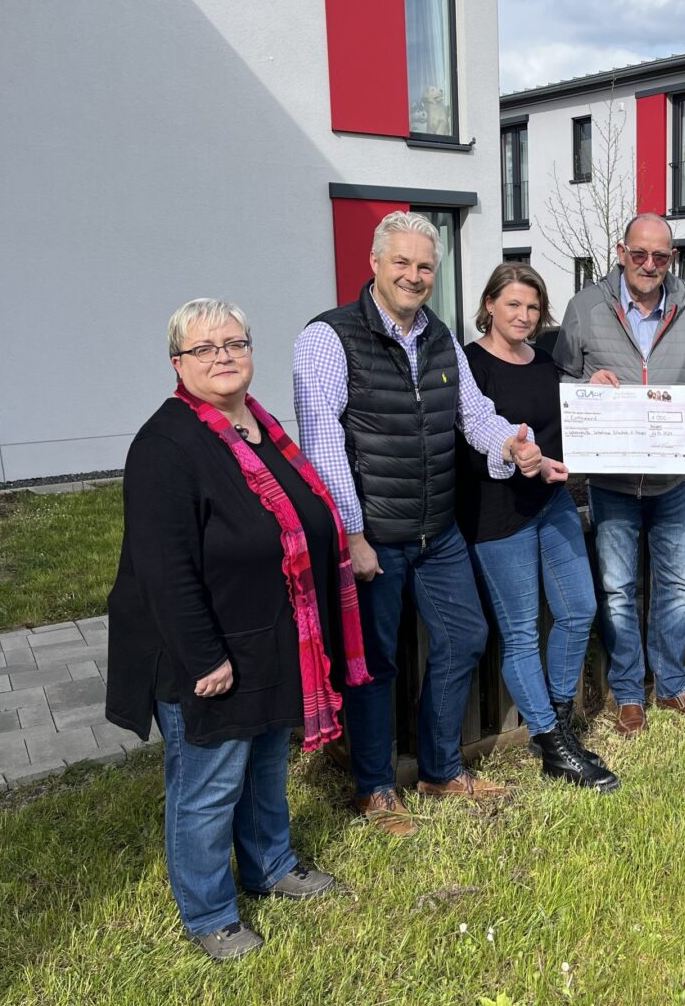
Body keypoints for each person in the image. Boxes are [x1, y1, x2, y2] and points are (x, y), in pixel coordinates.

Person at [106, 299, 370, 961]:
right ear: (178, 363)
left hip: (272, 639)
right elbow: (162, 572)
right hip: (207, 653)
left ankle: (271, 865)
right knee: (207, 785)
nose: (222, 356)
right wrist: (205, 657)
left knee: (261, 772)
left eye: (235, 343)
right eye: (205, 348)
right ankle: (209, 914)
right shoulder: (165, 446)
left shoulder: (261, 427)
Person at [293, 211, 547, 837]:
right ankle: (375, 788)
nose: (413, 275)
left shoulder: (439, 337)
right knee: (373, 663)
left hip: (438, 531)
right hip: (373, 535)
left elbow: (474, 414)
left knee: (465, 637)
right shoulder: (328, 338)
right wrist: (351, 533)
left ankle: (438, 770)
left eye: (425, 265)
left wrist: (511, 446)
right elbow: (321, 443)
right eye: (401, 262)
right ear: (374, 264)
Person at [553, 213, 685, 735]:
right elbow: (558, 376)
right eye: (640, 254)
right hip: (612, 483)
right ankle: (629, 692)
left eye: (661, 257)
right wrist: (586, 382)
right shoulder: (585, 307)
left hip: (671, 479)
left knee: (674, 585)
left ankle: (671, 684)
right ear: (621, 250)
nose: (650, 265)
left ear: (672, 258)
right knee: (619, 589)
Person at [456, 263, 618, 790]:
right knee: (521, 632)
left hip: (551, 503)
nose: (523, 316)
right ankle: (554, 747)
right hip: (498, 514)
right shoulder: (469, 364)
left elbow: (565, 417)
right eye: (512, 305)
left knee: (579, 610)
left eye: (531, 307)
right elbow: (466, 441)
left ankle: (555, 721)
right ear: (489, 306)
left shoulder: (545, 362)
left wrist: (590, 389)